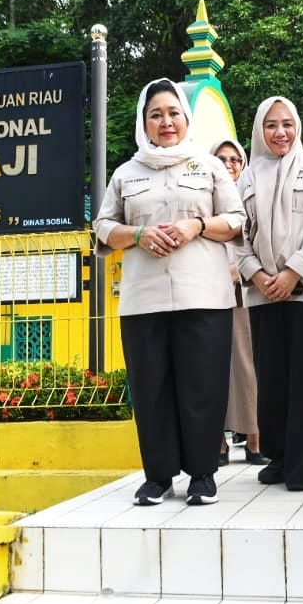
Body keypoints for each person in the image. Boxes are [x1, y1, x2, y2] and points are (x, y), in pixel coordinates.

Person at [92, 78, 246, 507]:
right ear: (143, 122)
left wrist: (197, 225)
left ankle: (202, 474)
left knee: (203, 385)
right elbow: (102, 227)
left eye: (173, 113)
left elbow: (236, 219)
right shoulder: (127, 173)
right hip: (144, 299)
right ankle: (158, 477)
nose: (166, 122)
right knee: (151, 387)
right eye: (156, 114)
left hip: (204, 296)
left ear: (186, 118)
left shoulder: (208, 166)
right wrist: (138, 234)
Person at [237, 96, 303, 491]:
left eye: (287, 124)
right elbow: (237, 236)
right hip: (263, 293)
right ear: (259, 131)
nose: (280, 132)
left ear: (297, 126)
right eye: (271, 125)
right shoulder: (246, 178)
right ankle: (279, 458)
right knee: (272, 381)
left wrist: (293, 271)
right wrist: (259, 275)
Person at [210, 137, 270, 466]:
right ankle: (217, 443)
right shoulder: (204, 199)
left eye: (235, 159)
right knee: (213, 367)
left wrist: (241, 271)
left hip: (246, 291)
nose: (228, 164)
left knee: (249, 367)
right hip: (208, 292)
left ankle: (255, 440)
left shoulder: (251, 195)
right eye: (221, 158)